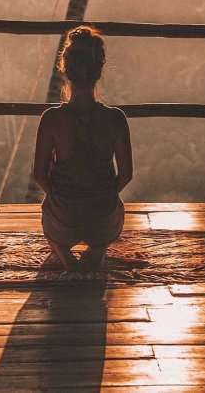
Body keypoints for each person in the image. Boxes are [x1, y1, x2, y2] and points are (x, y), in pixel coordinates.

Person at [32, 26, 133, 272]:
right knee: (111, 213)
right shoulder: (115, 119)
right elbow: (126, 174)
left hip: (64, 217)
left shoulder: (52, 119)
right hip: (102, 217)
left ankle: (63, 252)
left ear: (65, 69)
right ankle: (98, 248)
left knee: (51, 220)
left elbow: (39, 174)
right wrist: (102, 195)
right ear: (99, 70)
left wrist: (60, 197)